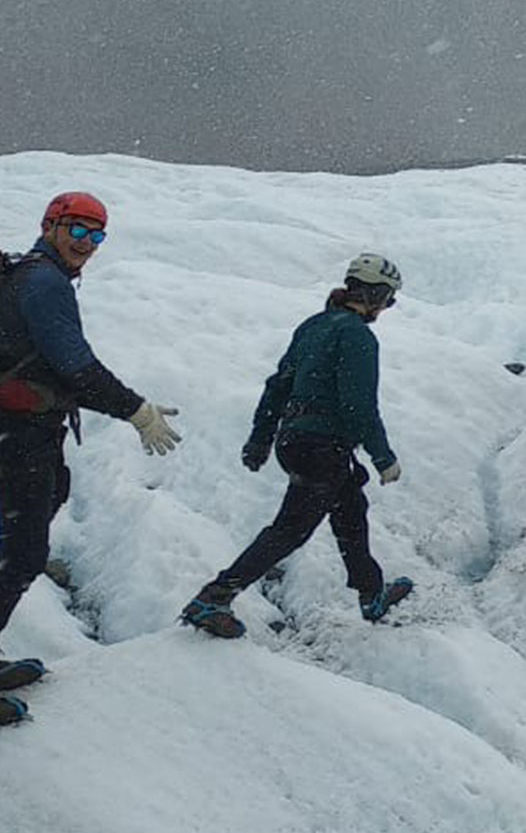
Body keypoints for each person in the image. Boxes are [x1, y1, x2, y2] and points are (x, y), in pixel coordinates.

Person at [0, 192, 182, 726]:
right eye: (76, 230)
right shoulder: (45, 283)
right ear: (50, 226)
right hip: (17, 439)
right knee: (22, 553)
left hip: (19, 433)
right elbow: (75, 366)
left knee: (21, 537)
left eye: (96, 235)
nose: (86, 244)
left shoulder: (23, 275)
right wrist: (137, 411)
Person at [179, 254, 411, 639]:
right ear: (376, 294)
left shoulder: (313, 326)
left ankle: (371, 593)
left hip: (297, 440)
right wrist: (383, 456)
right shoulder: (357, 335)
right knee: (291, 529)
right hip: (325, 446)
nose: (387, 309)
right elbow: (358, 404)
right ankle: (213, 598)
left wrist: (260, 437)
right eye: (389, 301)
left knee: (350, 507)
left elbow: (278, 386)